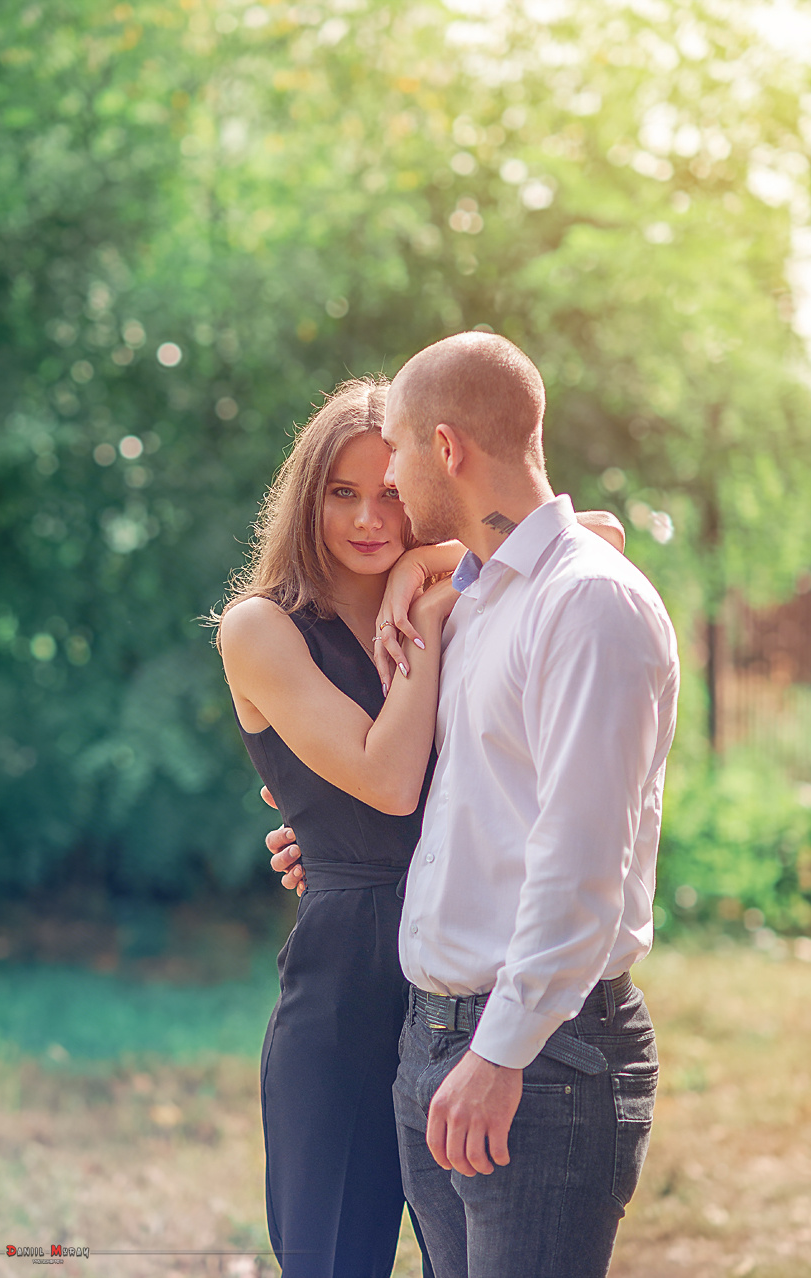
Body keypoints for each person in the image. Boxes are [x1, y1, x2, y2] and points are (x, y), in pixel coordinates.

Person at [269, 333, 679, 1278]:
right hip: (432, 1035)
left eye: (400, 457)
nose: (393, 495)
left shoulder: (590, 607)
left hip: (539, 1055)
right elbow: (469, 801)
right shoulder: (482, 598)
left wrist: (499, 1055)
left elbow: (582, 862)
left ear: (445, 449)